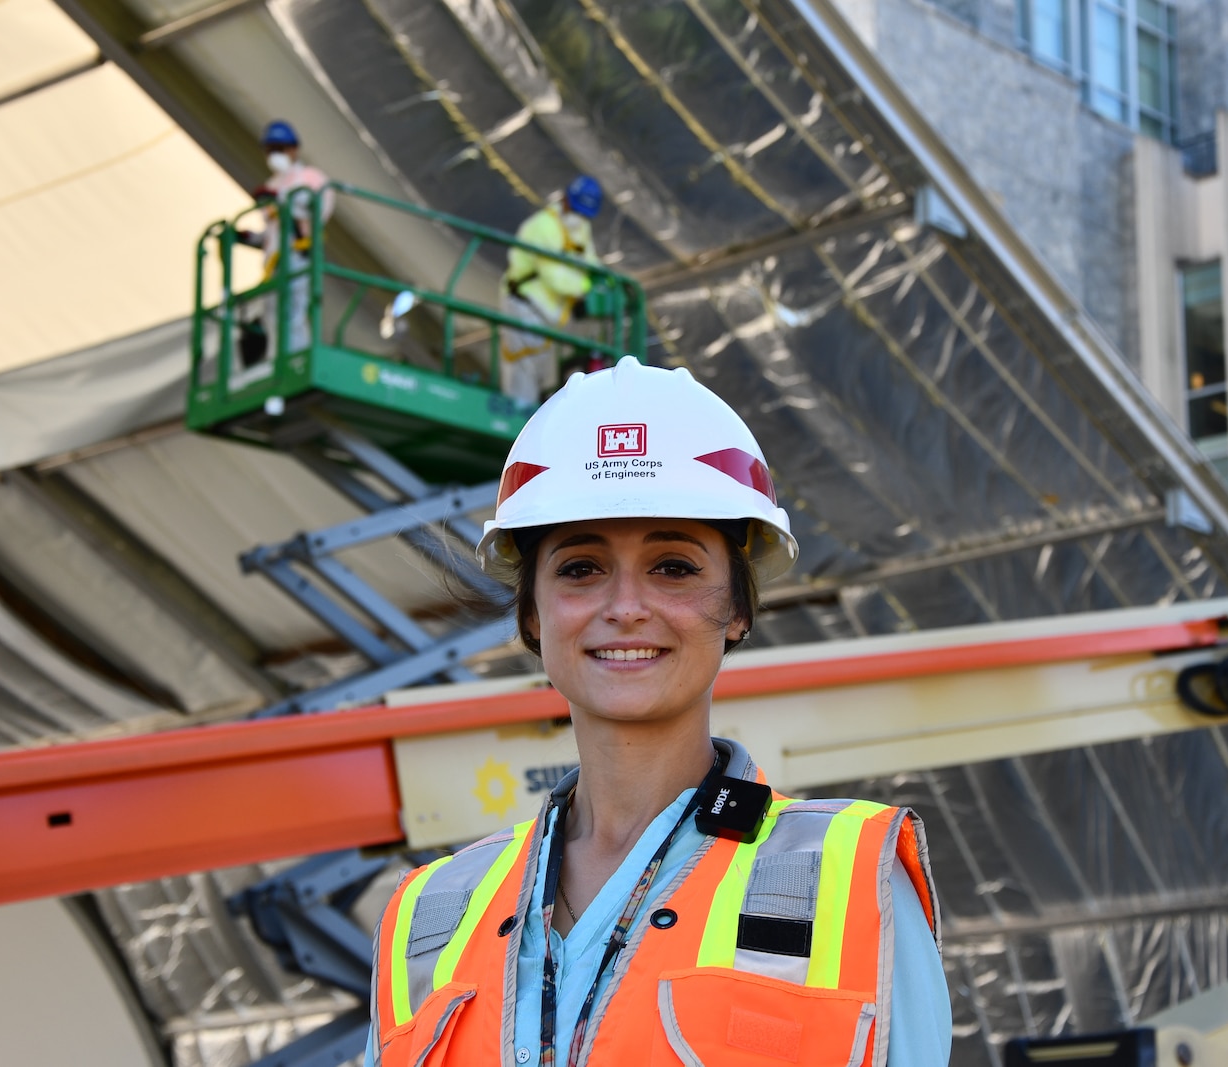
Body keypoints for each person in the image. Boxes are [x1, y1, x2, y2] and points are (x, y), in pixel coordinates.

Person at [368, 358, 951, 1066]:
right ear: (531, 614)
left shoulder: (847, 883)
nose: (625, 606)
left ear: (735, 607)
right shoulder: (428, 917)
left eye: (672, 565)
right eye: (580, 567)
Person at [500, 175, 604, 408]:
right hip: (524, 306)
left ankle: (536, 415)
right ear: (566, 200)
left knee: (543, 367)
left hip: (549, 314)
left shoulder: (580, 228)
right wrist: (586, 288)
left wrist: (601, 279)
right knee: (523, 365)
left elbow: (588, 260)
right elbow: (554, 275)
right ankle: (518, 422)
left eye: (584, 214)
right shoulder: (541, 227)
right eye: (577, 210)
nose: (580, 218)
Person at [237, 120, 334, 366]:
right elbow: (273, 233)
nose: (275, 155)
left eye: (280, 148)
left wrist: (284, 203)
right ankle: (275, 363)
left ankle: (297, 362)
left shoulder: (311, 178)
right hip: (274, 262)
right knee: (271, 313)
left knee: (293, 310)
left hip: (298, 255)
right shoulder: (271, 185)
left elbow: (317, 214)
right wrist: (252, 238)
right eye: (270, 150)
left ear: (294, 149)